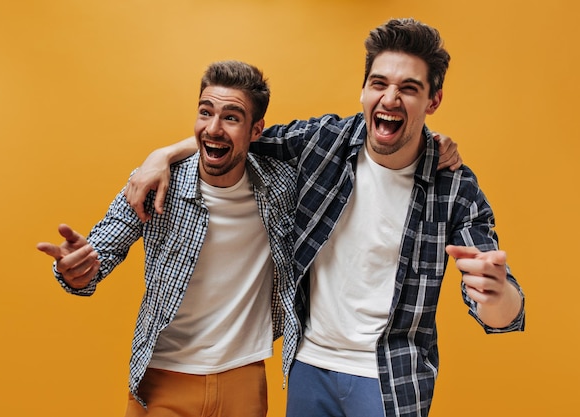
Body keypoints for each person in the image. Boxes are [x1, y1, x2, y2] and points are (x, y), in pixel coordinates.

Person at [124, 18, 525, 417]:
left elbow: (503, 312)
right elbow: (239, 134)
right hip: (309, 368)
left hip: (389, 379)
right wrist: (162, 155)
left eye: (409, 89)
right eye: (379, 84)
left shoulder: (454, 188)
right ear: (364, 89)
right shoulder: (324, 143)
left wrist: (498, 294)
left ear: (432, 102)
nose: (389, 99)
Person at [36, 60, 299, 417]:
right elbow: (100, 253)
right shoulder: (156, 183)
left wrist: (166, 150)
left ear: (256, 131)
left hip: (244, 379)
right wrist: (75, 270)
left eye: (232, 117)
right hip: (164, 378)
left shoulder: (279, 185)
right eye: (205, 112)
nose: (214, 128)